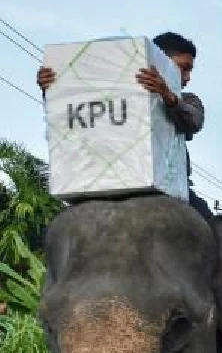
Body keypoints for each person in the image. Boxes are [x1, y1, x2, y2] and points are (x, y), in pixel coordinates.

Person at [38, 31, 212, 219]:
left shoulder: (188, 100)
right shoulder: (116, 94)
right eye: (184, 68)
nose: (187, 77)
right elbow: (70, 115)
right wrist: (53, 88)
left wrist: (167, 94)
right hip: (101, 180)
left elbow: (194, 120)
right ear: (163, 62)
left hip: (171, 187)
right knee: (211, 229)